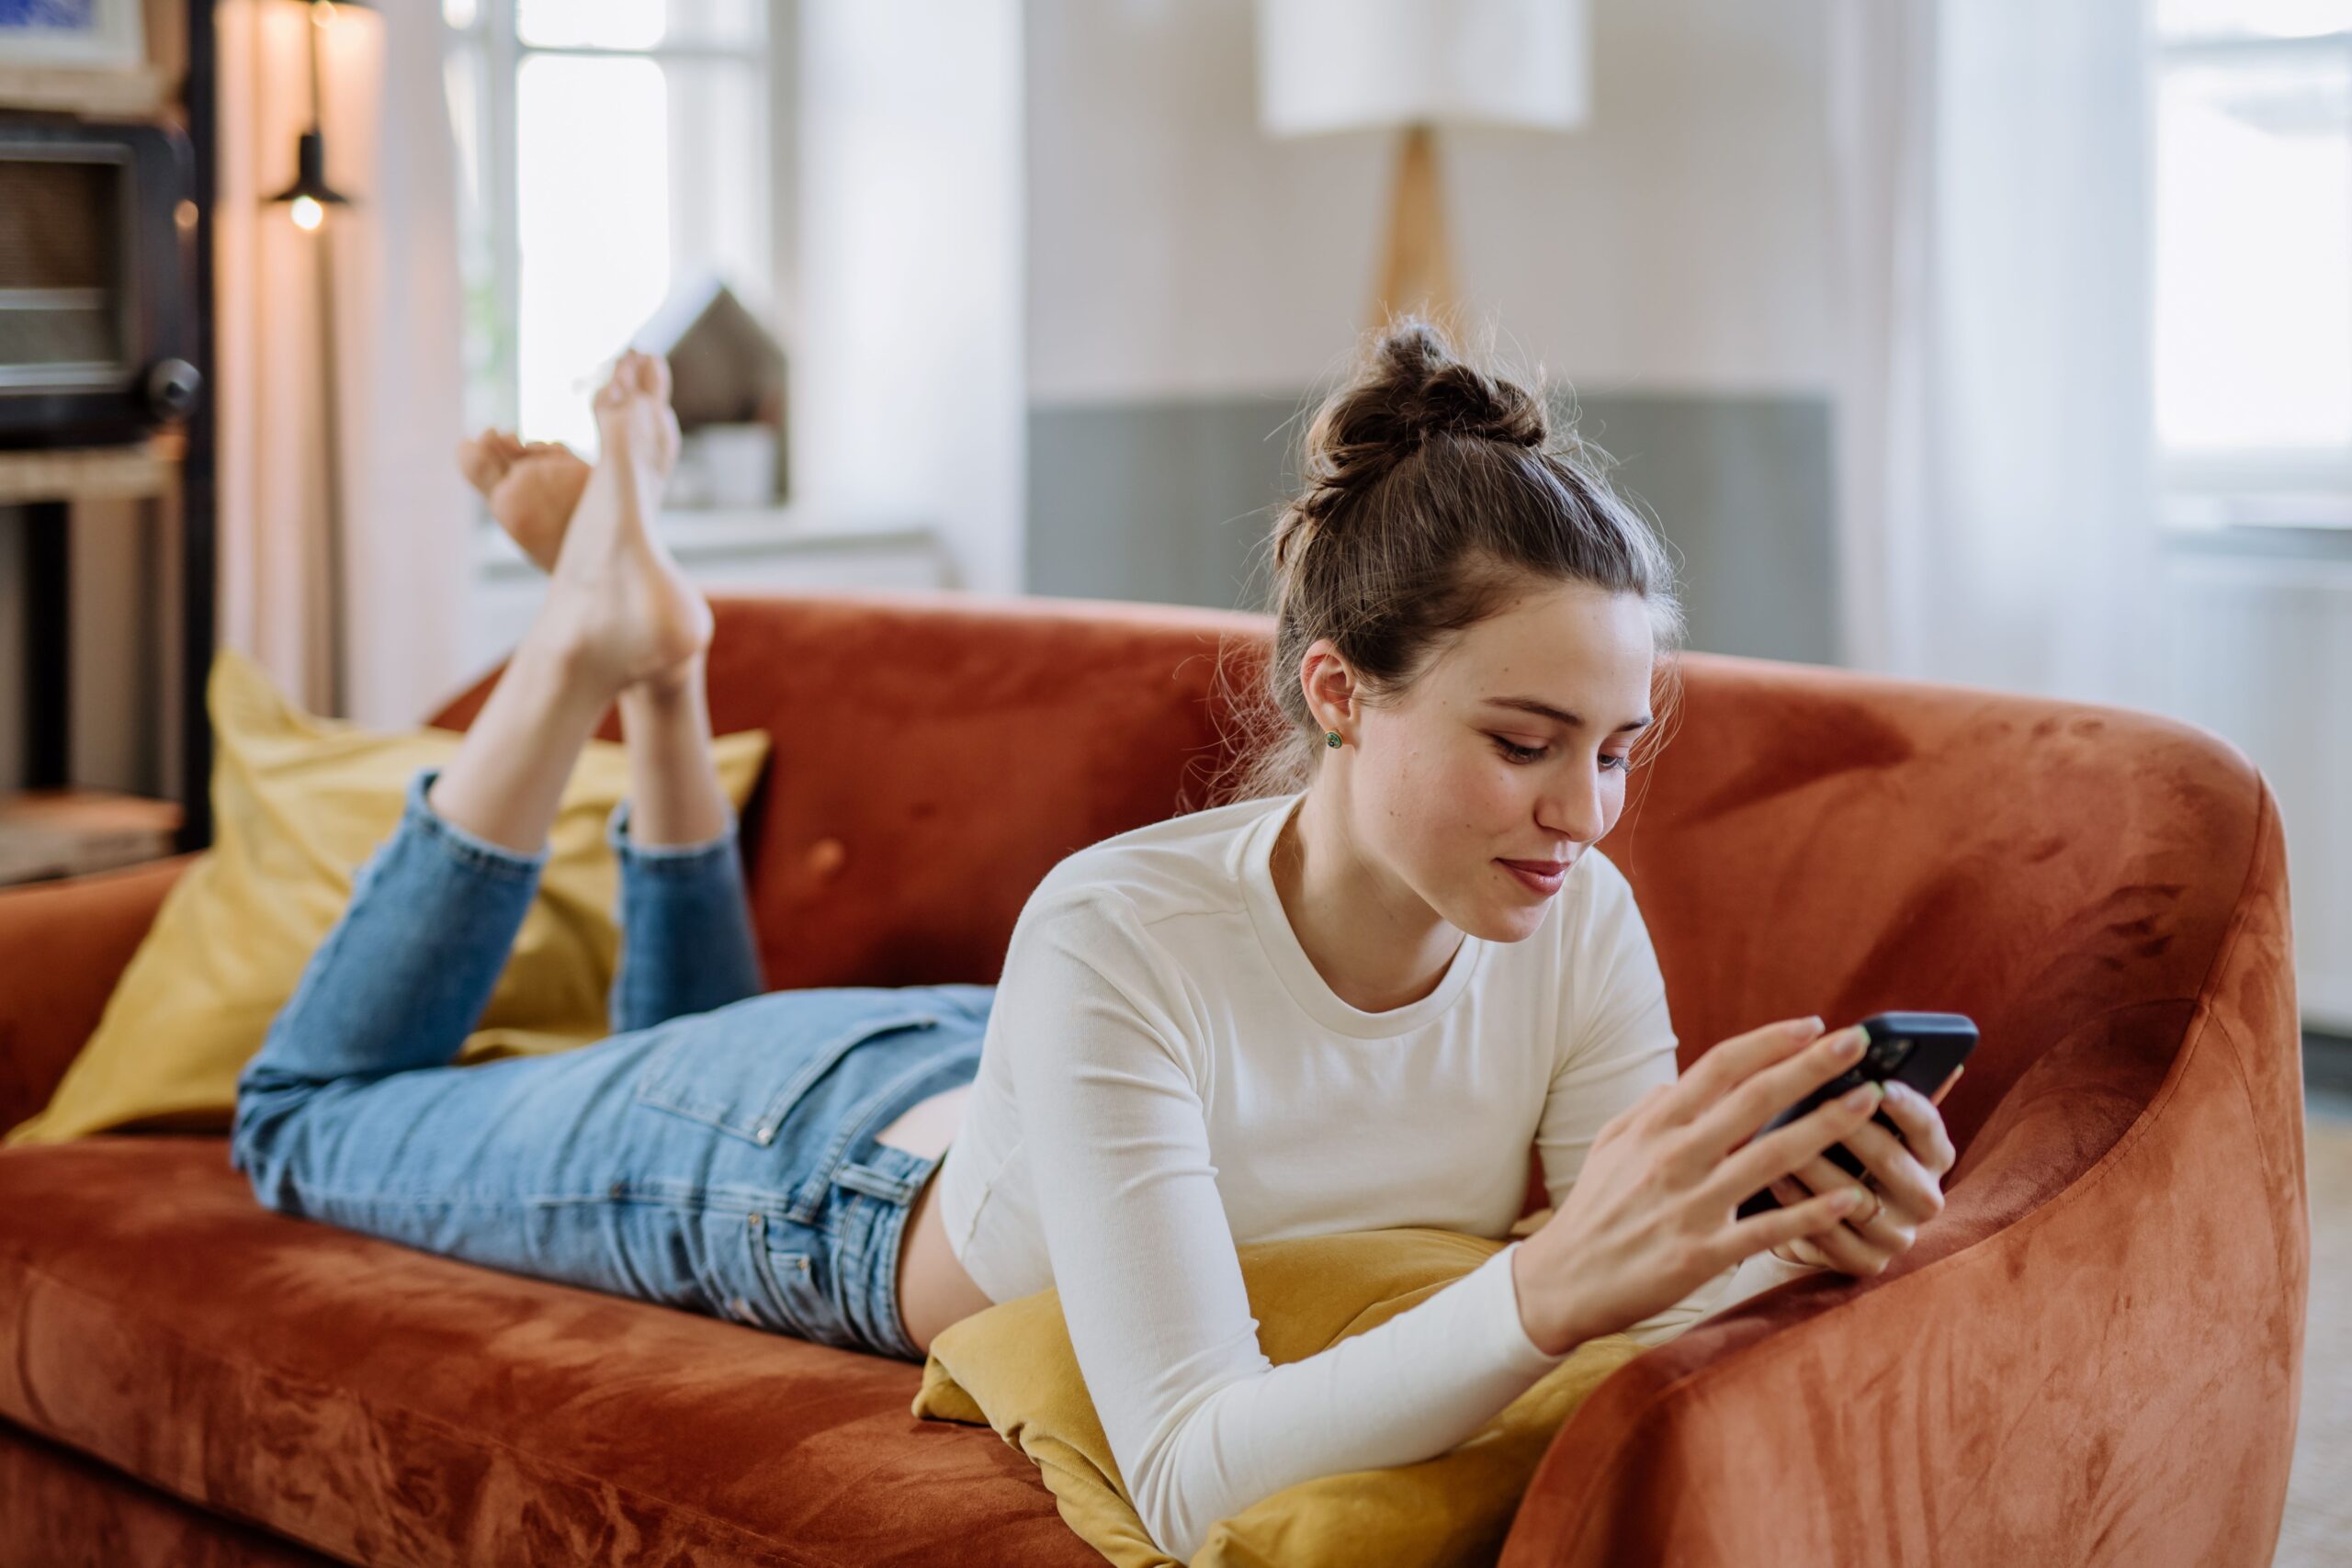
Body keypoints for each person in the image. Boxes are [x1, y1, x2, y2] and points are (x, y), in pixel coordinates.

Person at [231, 323, 1957, 1563]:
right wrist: (1560, 1280)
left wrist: (1792, 1238)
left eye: (1619, 749)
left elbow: (1627, 1271)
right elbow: (1198, 1472)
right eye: (1523, 743)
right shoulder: (1124, 921)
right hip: (809, 1166)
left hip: (1006, 1073)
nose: (1585, 814)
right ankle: (593, 647)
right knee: (301, 1121)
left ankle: (667, 666)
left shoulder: (1573, 921)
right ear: (1341, 694)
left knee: (668, 1025)